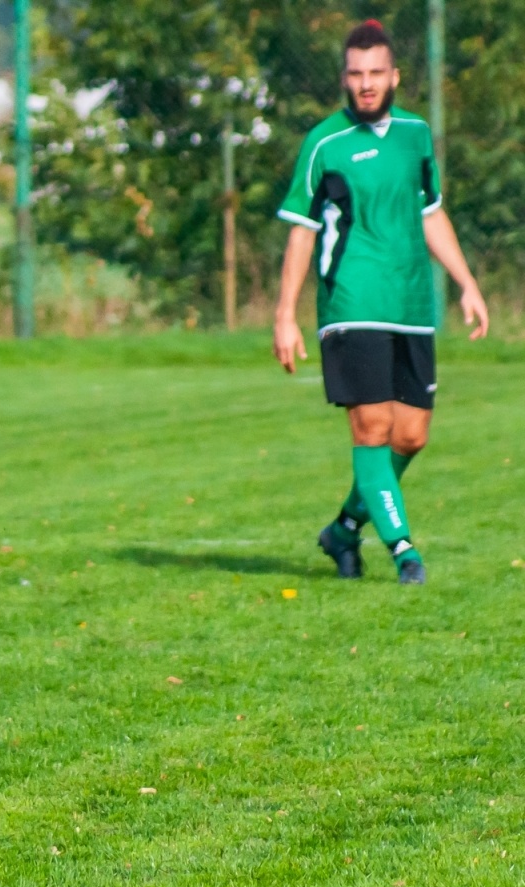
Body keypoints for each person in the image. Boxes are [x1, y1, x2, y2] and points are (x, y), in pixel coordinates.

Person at [274, 18, 488, 584]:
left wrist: (466, 282)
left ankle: (343, 531)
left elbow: (430, 212)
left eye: (375, 73)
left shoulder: (416, 134)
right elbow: (301, 232)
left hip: (412, 303)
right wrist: (285, 315)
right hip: (351, 303)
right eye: (355, 74)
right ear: (344, 79)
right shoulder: (325, 144)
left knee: (411, 436)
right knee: (371, 427)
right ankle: (404, 553)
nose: (365, 83)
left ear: (395, 75)